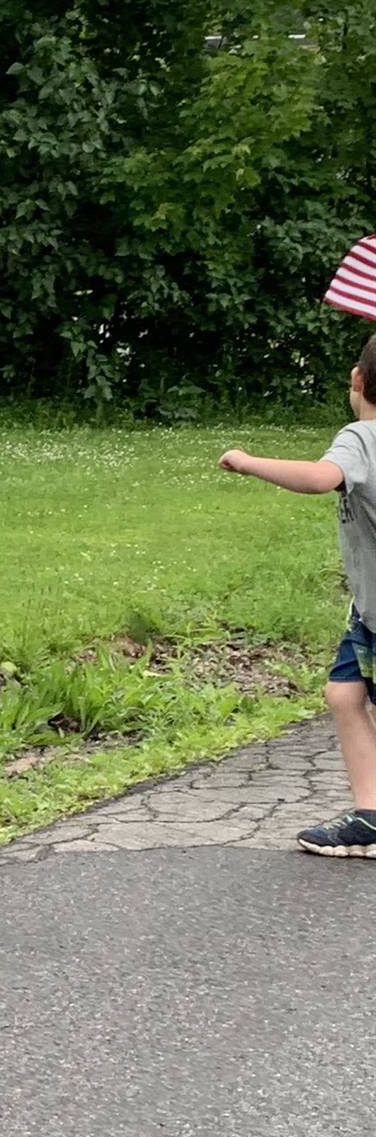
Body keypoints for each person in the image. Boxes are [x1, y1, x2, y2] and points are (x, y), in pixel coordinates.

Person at [219, 330, 376, 857]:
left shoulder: (362, 437)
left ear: (357, 381)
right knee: (344, 694)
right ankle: (371, 815)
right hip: (369, 608)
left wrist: (247, 461)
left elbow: (319, 477)